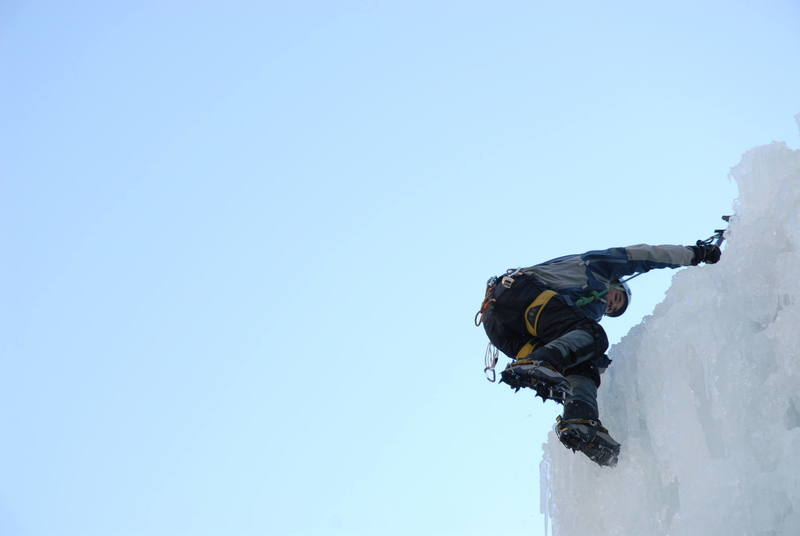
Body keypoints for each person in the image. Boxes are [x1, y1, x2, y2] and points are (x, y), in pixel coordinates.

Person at [476, 243, 721, 466]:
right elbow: (644, 255)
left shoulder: (572, 318)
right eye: (617, 298)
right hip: (517, 295)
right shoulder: (598, 267)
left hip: (506, 332)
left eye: (614, 309)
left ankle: (579, 421)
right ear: (616, 284)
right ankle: (540, 362)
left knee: (585, 362)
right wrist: (694, 254)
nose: (611, 305)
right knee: (593, 335)